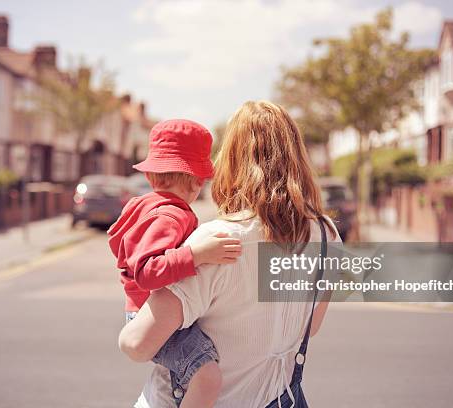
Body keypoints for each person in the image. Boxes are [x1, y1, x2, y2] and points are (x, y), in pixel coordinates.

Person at [119, 101, 342, 407]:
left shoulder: (217, 242)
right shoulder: (328, 237)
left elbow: (137, 344)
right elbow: (309, 327)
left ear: (232, 159)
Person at [108, 119, 242, 408]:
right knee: (208, 378)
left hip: (146, 314)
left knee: (195, 371)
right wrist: (198, 254)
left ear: (152, 176)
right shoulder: (170, 216)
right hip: (150, 318)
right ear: (196, 181)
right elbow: (147, 272)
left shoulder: (150, 207)